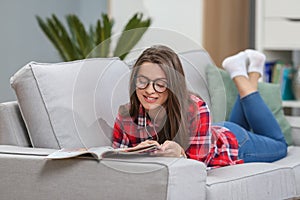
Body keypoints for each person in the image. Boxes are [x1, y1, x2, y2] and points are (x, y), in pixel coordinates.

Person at [112, 45, 287, 168]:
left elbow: (199, 165)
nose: (149, 90)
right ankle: (251, 71)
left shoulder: (195, 108)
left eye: (160, 84)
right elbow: (117, 156)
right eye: (142, 81)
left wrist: (180, 154)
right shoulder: (126, 115)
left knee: (280, 145)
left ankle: (241, 75)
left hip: (233, 144)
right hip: (211, 133)